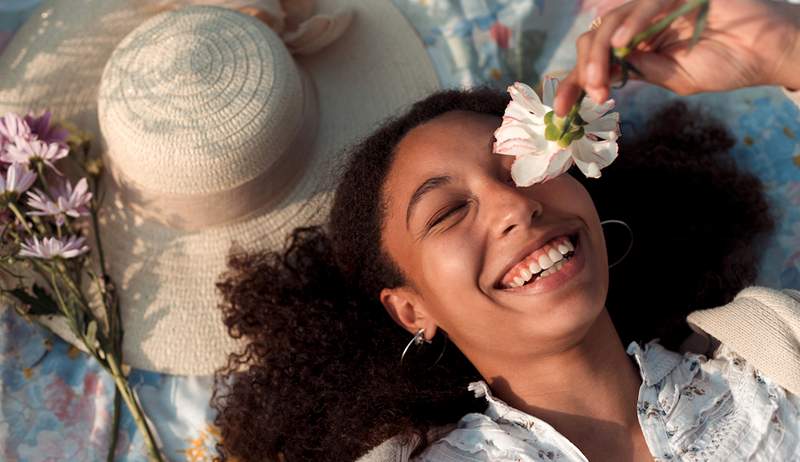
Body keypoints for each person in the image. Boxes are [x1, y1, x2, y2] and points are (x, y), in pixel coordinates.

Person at [212, 1, 800, 460]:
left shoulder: (777, 358)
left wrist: (785, 47)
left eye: (523, 164)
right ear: (412, 309)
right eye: (446, 213)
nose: (512, 206)